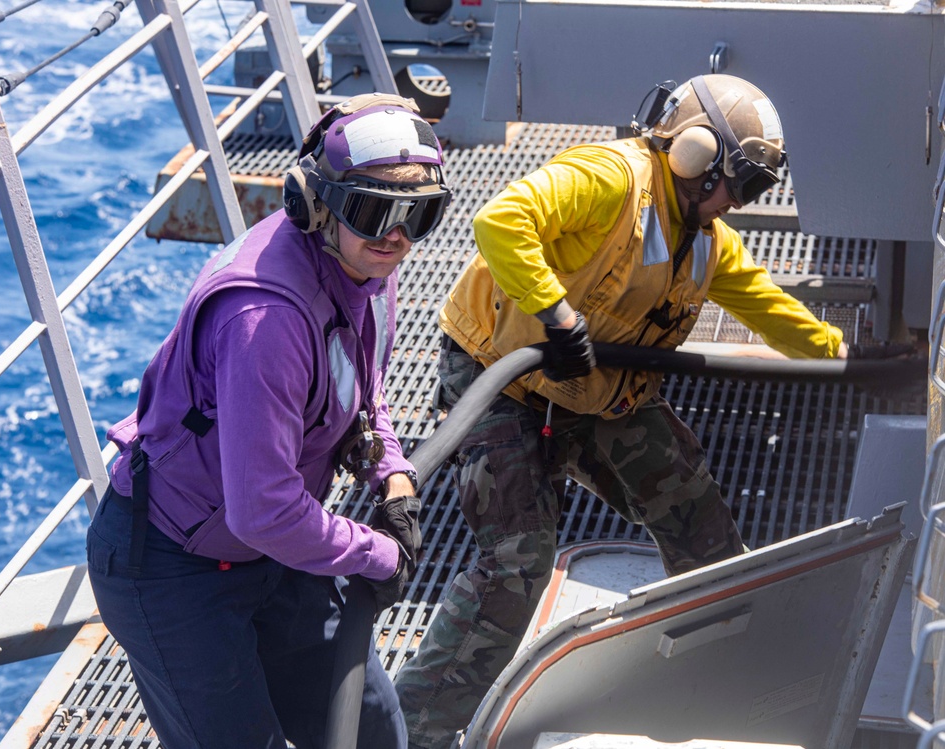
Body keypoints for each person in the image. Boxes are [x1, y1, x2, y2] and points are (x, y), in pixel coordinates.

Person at [394, 74, 865, 749]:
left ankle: (718, 685)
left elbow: (766, 305)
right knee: (516, 564)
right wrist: (555, 316)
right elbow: (501, 220)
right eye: (744, 182)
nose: (741, 202)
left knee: (704, 532)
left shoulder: (706, 238)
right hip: (508, 382)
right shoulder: (609, 179)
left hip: (601, 393)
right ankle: (409, 731)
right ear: (697, 155)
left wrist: (845, 354)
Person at [86, 93, 451, 749]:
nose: (397, 236)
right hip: (175, 566)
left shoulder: (367, 262)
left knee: (372, 729)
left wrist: (392, 475)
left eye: (419, 214)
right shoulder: (265, 319)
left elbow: (359, 393)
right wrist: (377, 551)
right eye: (374, 210)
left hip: (270, 554)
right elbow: (265, 509)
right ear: (316, 204)